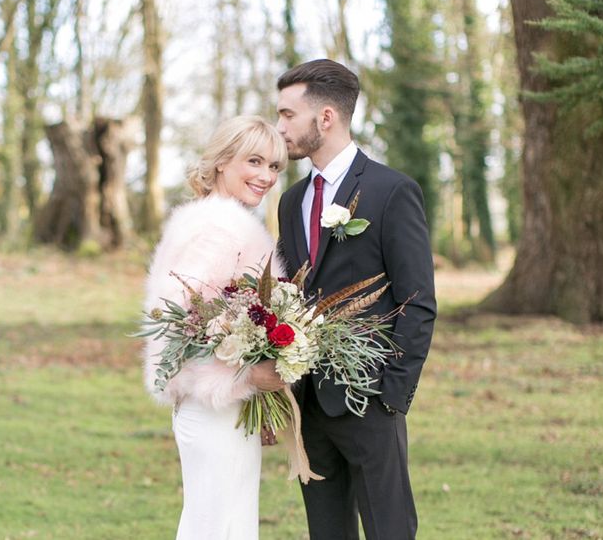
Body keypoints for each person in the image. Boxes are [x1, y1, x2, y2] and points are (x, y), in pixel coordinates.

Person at [276, 59, 437, 540]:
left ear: (325, 117)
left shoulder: (392, 191)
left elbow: (418, 301)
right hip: (309, 405)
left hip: (371, 402)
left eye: (288, 114)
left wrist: (391, 398)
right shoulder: (291, 201)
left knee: (390, 531)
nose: (279, 126)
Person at [142, 115, 288, 540]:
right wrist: (247, 373)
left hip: (226, 408)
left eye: (275, 167)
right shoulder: (214, 228)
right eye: (255, 161)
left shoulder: (222, 220)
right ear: (222, 162)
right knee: (218, 528)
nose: (266, 176)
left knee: (225, 526)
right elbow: (177, 326)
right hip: (212, 409)